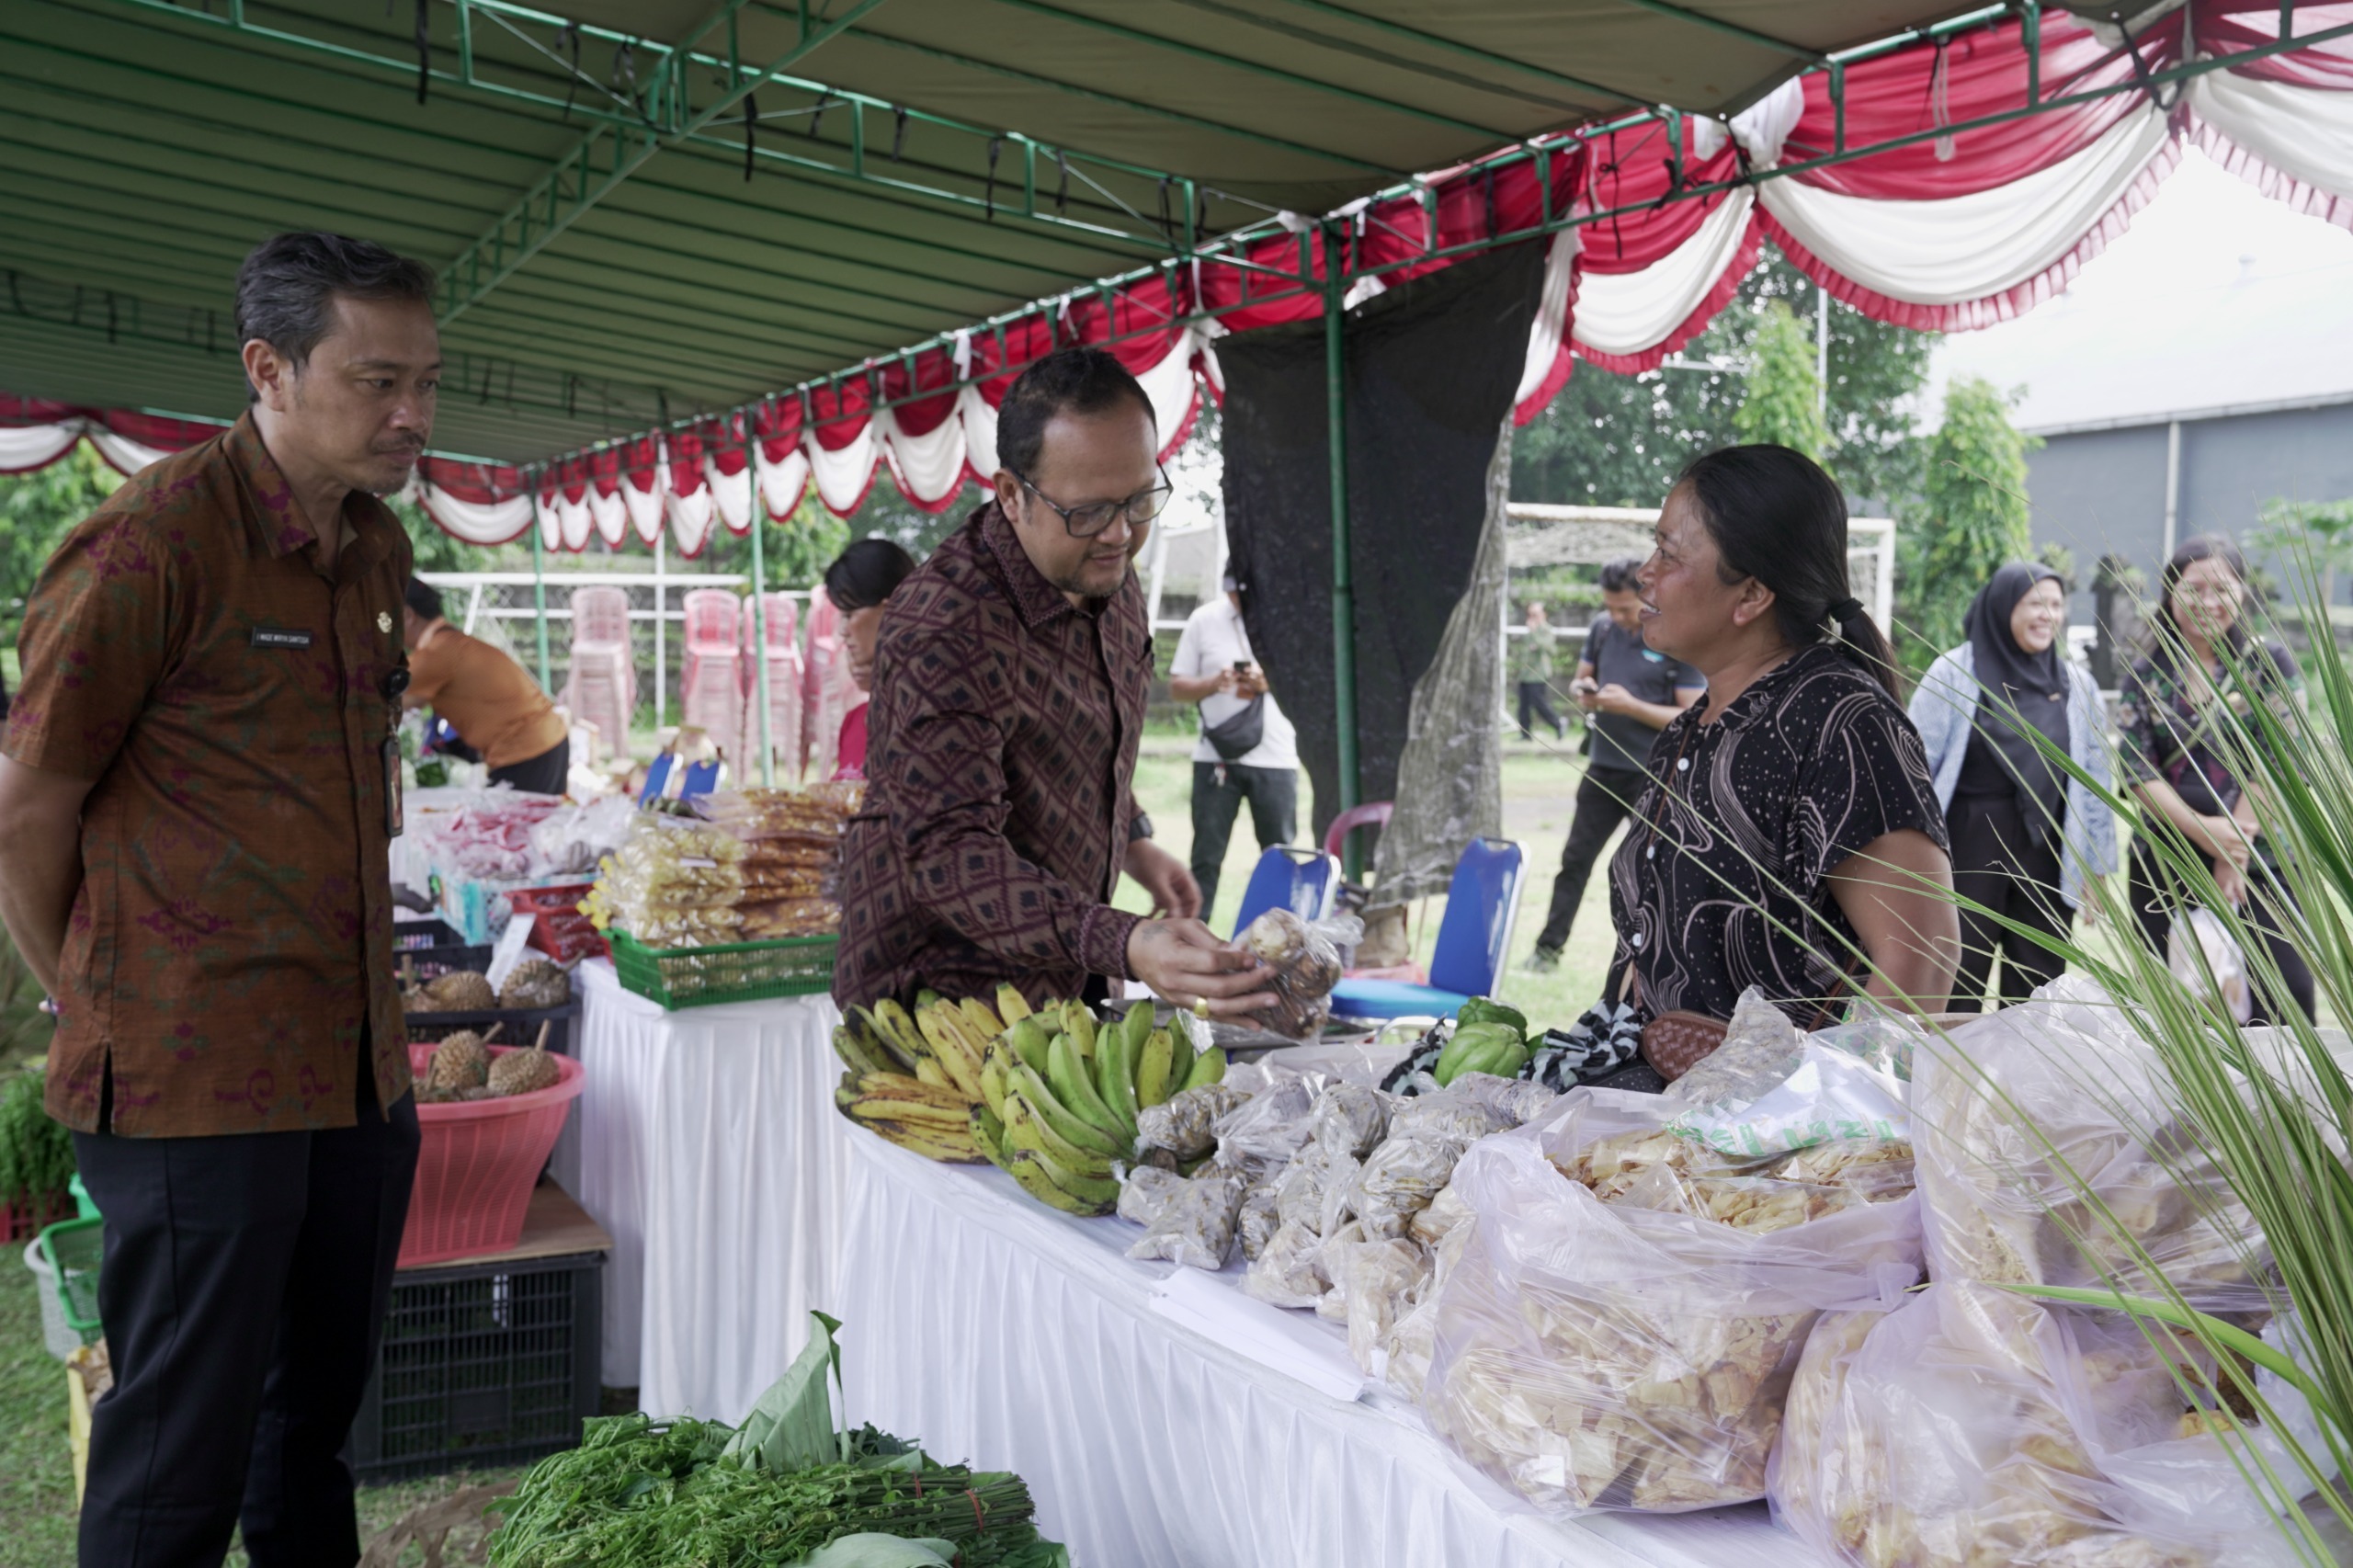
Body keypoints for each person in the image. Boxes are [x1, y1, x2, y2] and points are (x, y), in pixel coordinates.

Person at [0, 232, 432, 1567]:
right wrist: (90, 990)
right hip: (195, 1080)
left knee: (311, 1434)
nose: (412, 413)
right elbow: (30, 811)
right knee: (173, 1457)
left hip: (354, 1071)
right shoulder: (151, 545)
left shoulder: (369, 549)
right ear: (270, 369)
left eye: (426, 379)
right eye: (377, 381)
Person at [832, 347, 1277, 1019]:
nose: (1121, 536)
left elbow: (1085, 737)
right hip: (942, 1006)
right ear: (1013, 495)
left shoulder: (1109, 574)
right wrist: (1123, 938)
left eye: (1138, 501)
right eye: (1090, 512)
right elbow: (952, 855)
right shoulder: (942, 627)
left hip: (1068, 972)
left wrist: (1131, 840)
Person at [1607, 445, 1958, 1066]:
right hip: (1661, 1126)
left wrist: (1812, 1127)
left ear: (1751, 595)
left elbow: (1920, 962)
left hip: (1767, 1143)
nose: (1645, 573)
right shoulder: (1691, 729)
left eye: (1670, 552)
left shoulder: (1841, 723)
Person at [2117, 535, 2314, 1024]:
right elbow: (2136, 768)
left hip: (2263, 861)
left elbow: (2283, 761)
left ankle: (2285, 1103)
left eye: (2223, 589)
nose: (2210, 602)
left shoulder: (2268, 665)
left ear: (2242, 594)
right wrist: (2206, 834)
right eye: (2195, 588)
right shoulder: (2145, 673)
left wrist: (2235, 850)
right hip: (2167, 861)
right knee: (2176, 1005)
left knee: (2284, 994)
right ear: (2170, 594)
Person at [1909, 562, 2119, 1011]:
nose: (2048, 615)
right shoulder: (1953, 672)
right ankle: (1947, 1080)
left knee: (2036, 992)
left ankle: (2022, 1083)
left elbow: (2096, 779)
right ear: (2004, 606)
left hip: (2045, 850)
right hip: (1966, 850)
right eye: (2034, 603)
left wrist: (2095, 867)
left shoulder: (2078, 685)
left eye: (2057, 605)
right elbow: (1913, 769)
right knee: (1953, 985)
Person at [1525, 557, 1704, 972]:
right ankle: (1548, 950)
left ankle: (1658, 963)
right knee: (1574, 861)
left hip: (1656, 776)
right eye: (1610, 607)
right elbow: (1580, 677)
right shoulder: (1602, 629)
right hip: (1603, 770)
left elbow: (1691, 717)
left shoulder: (1677, 636)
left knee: (1652, 875)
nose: (1617, 616)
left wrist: (1631, 706)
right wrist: (1583, 691)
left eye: (1625, 608)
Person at [1167, 572, 1300, 917]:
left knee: (1280, 858)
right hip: (1216, 758)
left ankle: (1281, 948)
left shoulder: (1288, 617)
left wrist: (1268, 682)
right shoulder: (1204, 619)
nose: (1238, 599)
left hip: (1277, 758)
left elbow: (1312, 685)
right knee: (1206, 859)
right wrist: (1214, 682)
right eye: (1232, 591)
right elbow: (1177, 687)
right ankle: (1195, 943)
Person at [401, 577, 571, 794]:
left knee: (514, 825)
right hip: (547, 740)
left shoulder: (435, 653)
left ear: (408, 615)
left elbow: (383, 703)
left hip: (525, 751)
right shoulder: (449, 644)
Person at [825, 537, 920, 780]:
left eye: (849, 614)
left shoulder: (929, 724)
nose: (842, 631)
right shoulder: (855, 721)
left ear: (891, 611)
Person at [1512, 600, 1566, 741]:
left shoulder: (1546, 630)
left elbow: (1549, 648)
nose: (1532, 617)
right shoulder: (1529, 631)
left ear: (1543, 615)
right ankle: (1525, 734)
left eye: (1535, 614)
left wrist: (1535, 633)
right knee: (1523, 706)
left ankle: (1558, 724)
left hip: (1538, 674)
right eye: (1530, 614)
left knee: (1539, 704)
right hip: (1525, 674)